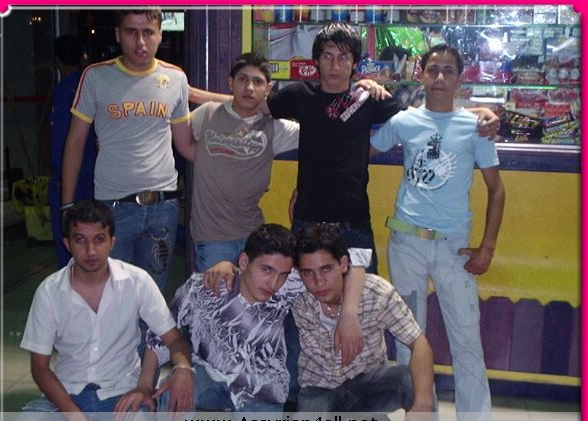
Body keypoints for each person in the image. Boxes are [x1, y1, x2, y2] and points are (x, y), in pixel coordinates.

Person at [265, 22, 499, 275]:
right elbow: (254, 106)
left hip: (354, 222)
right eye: (327, 56)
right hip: (307, 219)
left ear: (354, 63)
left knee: (368, 294)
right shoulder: (299, 95)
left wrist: (479, 113)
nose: (335, 66)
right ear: (316, 61)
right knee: (305, 293)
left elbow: (428, 115)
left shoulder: (367, 99)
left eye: (343, 57)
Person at [370, 44, 506, 421]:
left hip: (454, 249)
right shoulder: (404, 121)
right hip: (406, 243)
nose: (440, 78)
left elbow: (497, 190)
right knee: (407, 341)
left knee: (467, 341)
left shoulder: (476, 127)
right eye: (433, 70)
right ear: (421, 75)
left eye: (448, 70)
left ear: (460, 78)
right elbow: (358, 150)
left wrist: (487, 248)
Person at [143, 224, 370, 421]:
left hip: (262, 388)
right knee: (174, 393)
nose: (274, 283)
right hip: (208, 377)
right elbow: (160, 334)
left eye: (283, 274)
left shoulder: (289, 285)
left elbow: (355, 260)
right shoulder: (203, 287)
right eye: (266, 270)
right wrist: (145, 384)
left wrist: (349, 314)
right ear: (244, 261)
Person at [6, 200, 192, 421]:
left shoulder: (137, 282)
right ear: (67, 244)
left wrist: (183, 370)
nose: (91, 250)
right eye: (80, 240)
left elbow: (174, 339)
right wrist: (74, 416)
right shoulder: (49, 291)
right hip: (65, 393)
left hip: (122, 392)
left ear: (112, 243)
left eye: (99, 239)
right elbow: (39, 368)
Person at [61, 8, 196, 291]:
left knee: (152, 293)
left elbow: (186, 145)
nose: (140, 41)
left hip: (163, 206)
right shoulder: (96, 76)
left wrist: (234, 159)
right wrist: (67, 205)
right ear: (117, 34)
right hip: (113, 208)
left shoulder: (175, 78)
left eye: (148, 32)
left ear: (160, 35)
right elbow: (75, 143)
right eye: (131, 32)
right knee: (112, 293)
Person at [293, 223, 435, 421]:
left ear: (343, 264)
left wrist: (422, 406)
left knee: (414, 383)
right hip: (318, 390)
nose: (318, 281)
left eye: (326, 269)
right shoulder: (294, 292)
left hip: (369, 381)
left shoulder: (376, 292)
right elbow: (256, 275)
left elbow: (419, 343)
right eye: (308, 273)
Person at [189, 52, 299, 272]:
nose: (249, 88)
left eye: (257, 82)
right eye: (242, 79)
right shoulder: (207, 114)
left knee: (253, 293)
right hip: (212, 238)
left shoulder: (274, 127)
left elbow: (319, 131)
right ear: (231, 83)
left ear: (268, 89)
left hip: (252, 235)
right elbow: (171, 134)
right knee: (217, 294)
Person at [49, 35, 97, 269]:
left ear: (57, 59)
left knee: (69, 240)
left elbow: (62, 141)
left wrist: (61, 180)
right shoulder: (93, 84)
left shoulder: (65, 90)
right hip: (96, 177)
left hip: (70, 179)